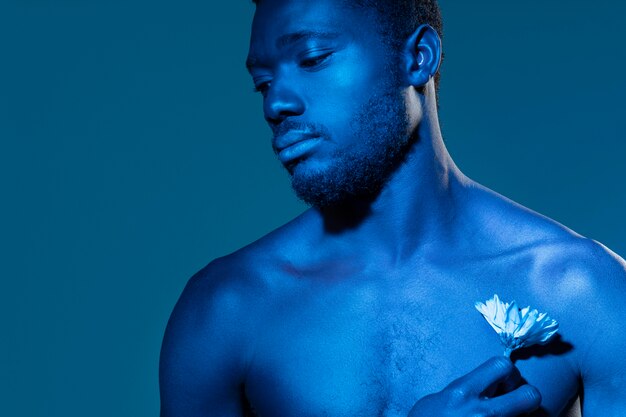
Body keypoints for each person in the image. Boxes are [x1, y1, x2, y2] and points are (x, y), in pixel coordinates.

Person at [159, 0, 626, 415]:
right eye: (262, 83)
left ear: (417, 58)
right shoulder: (227, 308)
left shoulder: (581, 290)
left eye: (313, 58)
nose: (276, 103)